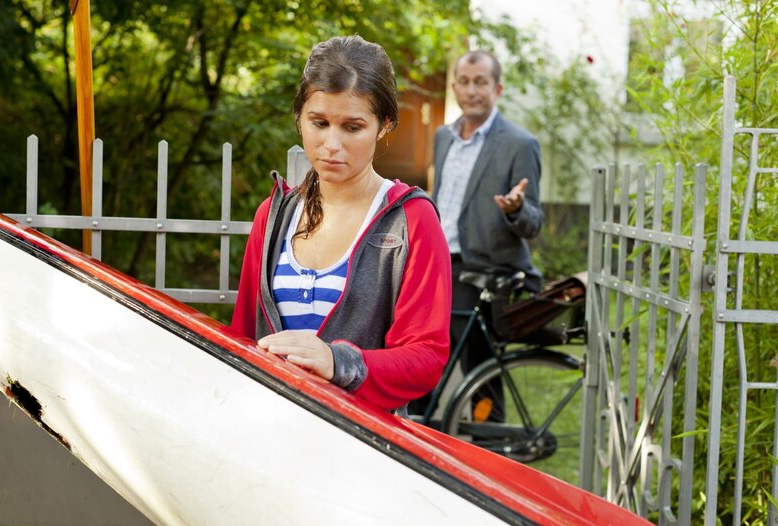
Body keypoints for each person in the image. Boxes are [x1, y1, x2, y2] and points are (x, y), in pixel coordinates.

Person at [226, 35, 451, 415]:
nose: (331, 144)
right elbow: (242, 334)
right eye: (320, 122)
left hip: (361, 445)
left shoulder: (411, 219)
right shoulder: (274, 215)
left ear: (384, 126)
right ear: (299, 118)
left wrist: (339, 362)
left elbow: (426, 356)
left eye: (352, 127)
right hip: (266, 433)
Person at [429, 49, 544, 419]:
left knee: (479, 372)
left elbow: (534, 222)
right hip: (436, 265)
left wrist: (515, 210)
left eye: (481, 82)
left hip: (482, 273)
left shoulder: (518, 144)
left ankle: (487, 447)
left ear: (497, 88)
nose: (472, 90)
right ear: (454, 87)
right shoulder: (442, 138)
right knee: (424, 359)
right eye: (464, 81)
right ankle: (415, 434)